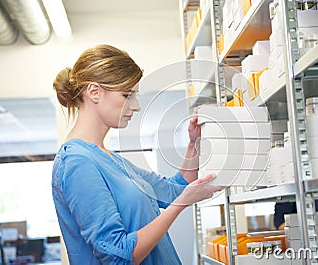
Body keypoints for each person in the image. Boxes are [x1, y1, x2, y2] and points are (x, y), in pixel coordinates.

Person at [51, 44, 224, 264]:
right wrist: (180, 205)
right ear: (95, 92)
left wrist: (194, 144)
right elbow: (117, 255)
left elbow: (174, 190)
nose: (136, 106)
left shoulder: (110, 159)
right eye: (127, 95)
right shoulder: (76, 163)